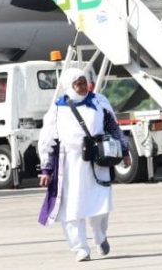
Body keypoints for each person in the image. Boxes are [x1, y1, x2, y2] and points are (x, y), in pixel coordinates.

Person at [38, 69, 131, 262]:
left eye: (83, 82)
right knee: (72, 208)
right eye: (77, 84)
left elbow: (113, 127)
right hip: (71, 163)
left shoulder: (99, 101)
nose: (82, 87)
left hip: (98, 160)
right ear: (68, 86)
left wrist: (124, 150)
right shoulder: (58, 109)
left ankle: (100, 235)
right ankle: (80, 248)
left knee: (101, 203)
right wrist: (46, 169)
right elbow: (47, 140)